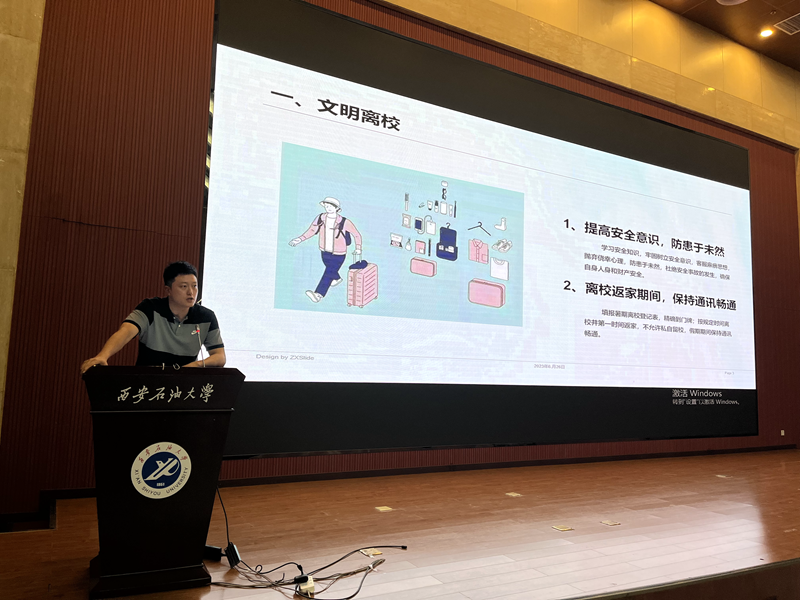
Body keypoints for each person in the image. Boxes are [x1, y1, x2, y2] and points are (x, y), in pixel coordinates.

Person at [80, 261, 226, 373]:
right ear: (168, 290)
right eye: (184, 286)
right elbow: (125, 332)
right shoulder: (150, 308)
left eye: (194, 286)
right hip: (147, 383)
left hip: (184, 386)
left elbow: (220, 356)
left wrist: (195, 365)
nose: (191, 292)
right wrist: (103, 356)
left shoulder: (206, 317)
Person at [289, 196, 362, 302]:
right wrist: (300, 239)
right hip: (324, 251)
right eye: (326, 206)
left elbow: (356, 234)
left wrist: (358, 248)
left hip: (339, 253)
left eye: (331, 206)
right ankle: (336, 278)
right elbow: (312, 230)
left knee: (328, 272)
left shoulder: (344, 221)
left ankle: (318, 294)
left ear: (337, 208)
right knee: (331, 270)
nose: (328, 208)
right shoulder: (321, 218)